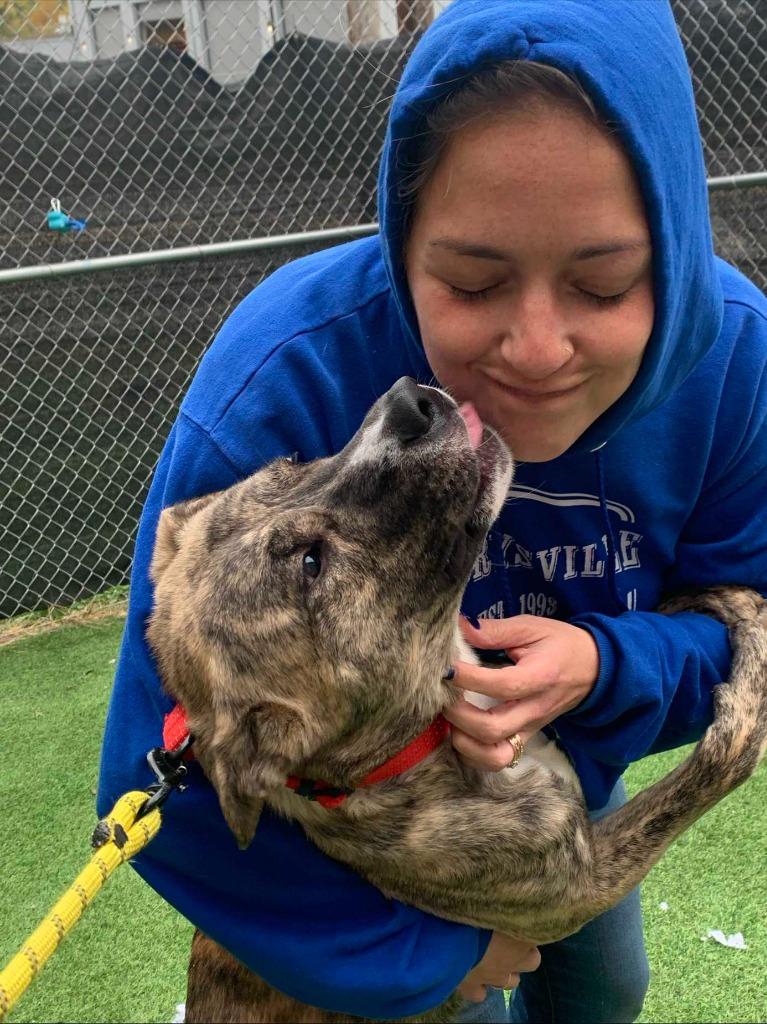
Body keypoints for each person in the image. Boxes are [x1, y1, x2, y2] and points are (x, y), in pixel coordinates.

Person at [97, 1, 767, 1021]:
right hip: (342, 857)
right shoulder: (282, 370)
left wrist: (606, 665)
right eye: (469, 278)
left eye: (604, 281)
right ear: (400, 242)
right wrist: (412, 956)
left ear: (672, 246)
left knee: (608, 986)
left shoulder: (731, 358)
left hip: (554, 774)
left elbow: (746, 612)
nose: (536, 348)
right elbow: (164, 776)